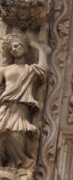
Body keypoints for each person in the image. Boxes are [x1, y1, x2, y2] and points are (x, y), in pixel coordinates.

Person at [0, 33, 49, 169]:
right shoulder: (4, 69)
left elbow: (43, 70)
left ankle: (18, 162)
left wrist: (40, 48)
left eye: (17, 46)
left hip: (21, 108)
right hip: (5, 106)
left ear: (25, 47)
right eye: (11, 48)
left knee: (16, 134)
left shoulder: (30, 70)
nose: (14, 49)